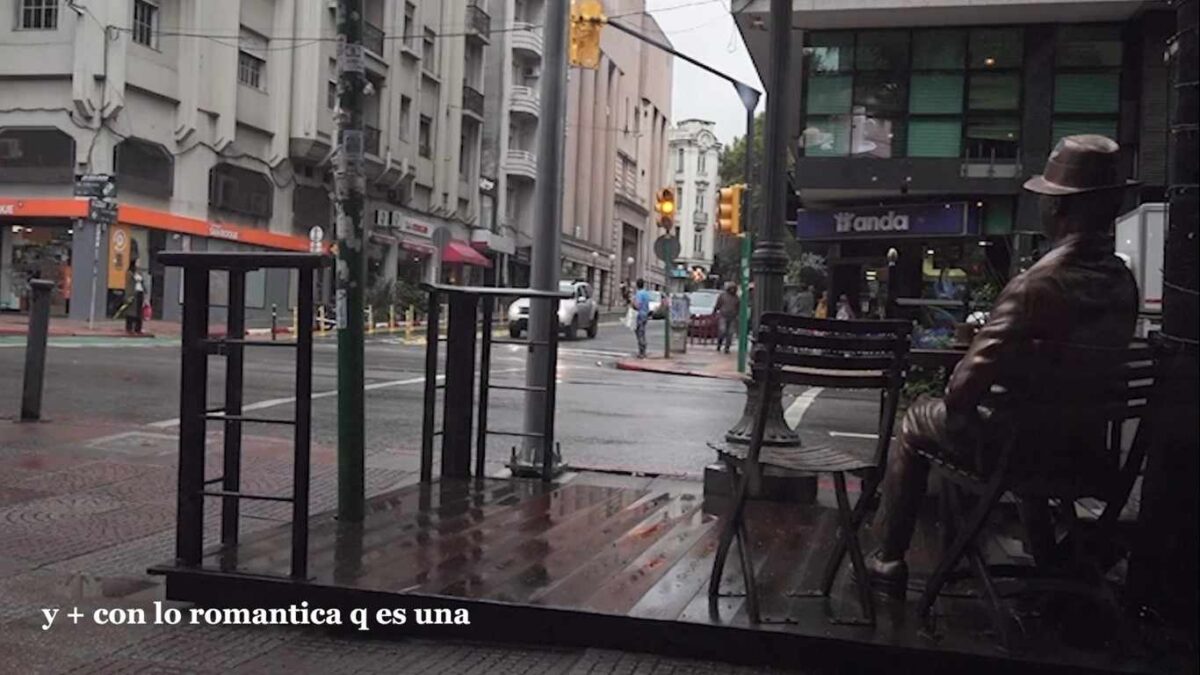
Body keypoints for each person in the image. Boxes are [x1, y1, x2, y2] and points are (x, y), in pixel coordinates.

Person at [866, 135, 1140, 592]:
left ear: (1061, 210)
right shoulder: (1123, 284)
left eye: (1047, 199)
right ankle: (1047, 549)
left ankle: (888, 559)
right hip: (1084, 456)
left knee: (918, 420)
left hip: (1021, 454)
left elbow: (960, 394)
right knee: (1026, 416)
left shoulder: (1035, 286)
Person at [713, 282, 739, 354]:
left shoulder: (736, 298)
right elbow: (718, 304)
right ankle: (719, 344)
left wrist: (737, 315)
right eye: (731, 288)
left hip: (732, 317)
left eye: (734, 289)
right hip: (723, 316)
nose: (732, 290)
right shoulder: (722, 296)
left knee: (730, 333)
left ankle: (727, 348)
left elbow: (738, 308)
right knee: (722, 331)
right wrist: (714, 312)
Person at [630, 278, 651, 358]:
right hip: (645, 314)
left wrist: (632, 302)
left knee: (639, 333)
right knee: (642, 332)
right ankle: (643, 350)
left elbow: (637, 305)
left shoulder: (639, 294)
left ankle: (642, 351)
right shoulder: (646, 293)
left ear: (637, 285)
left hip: (639, 315)